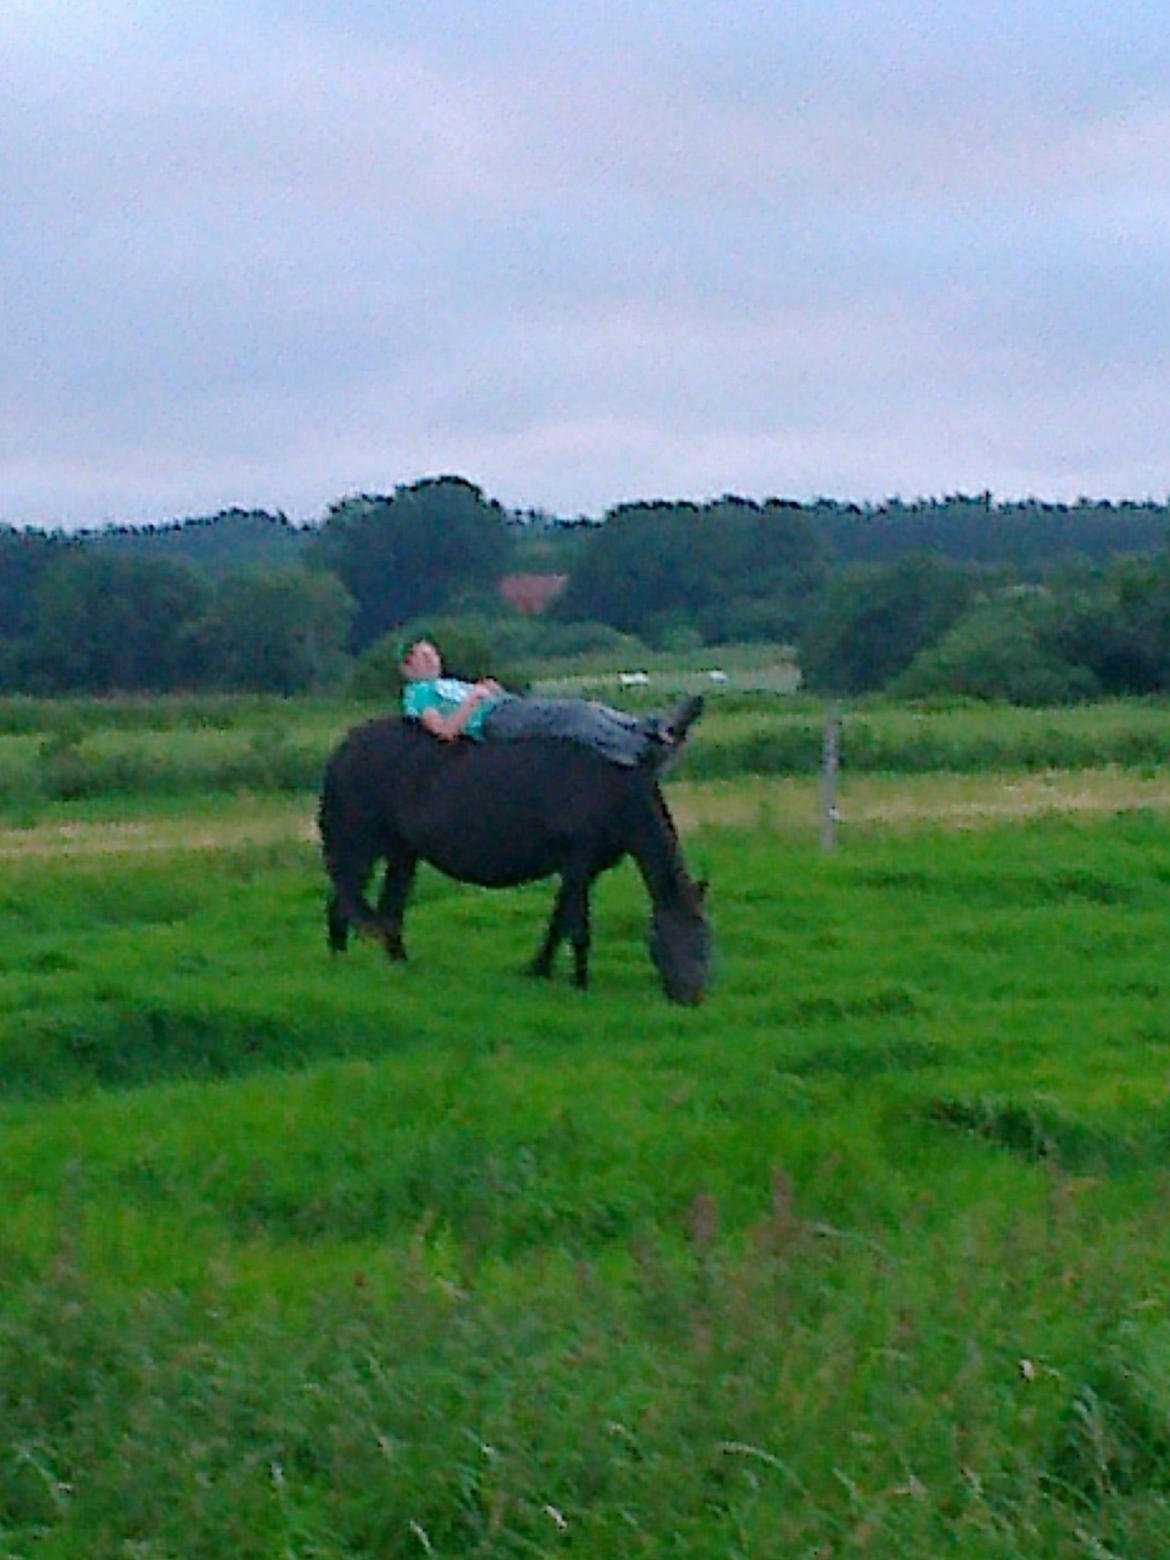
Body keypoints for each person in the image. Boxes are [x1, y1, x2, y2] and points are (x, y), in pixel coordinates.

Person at [399, 638, 702, 772]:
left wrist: (489, 691)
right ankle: (639, 748)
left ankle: (652, 729)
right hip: (494, 720)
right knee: (575, 718)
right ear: (408, 666)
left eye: (433, 654)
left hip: (504, 707)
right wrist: (473, 699)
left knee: (583, 709)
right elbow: (444, 731)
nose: (431, 660)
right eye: (422, 657)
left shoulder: (446, 683)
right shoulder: (419, 693)